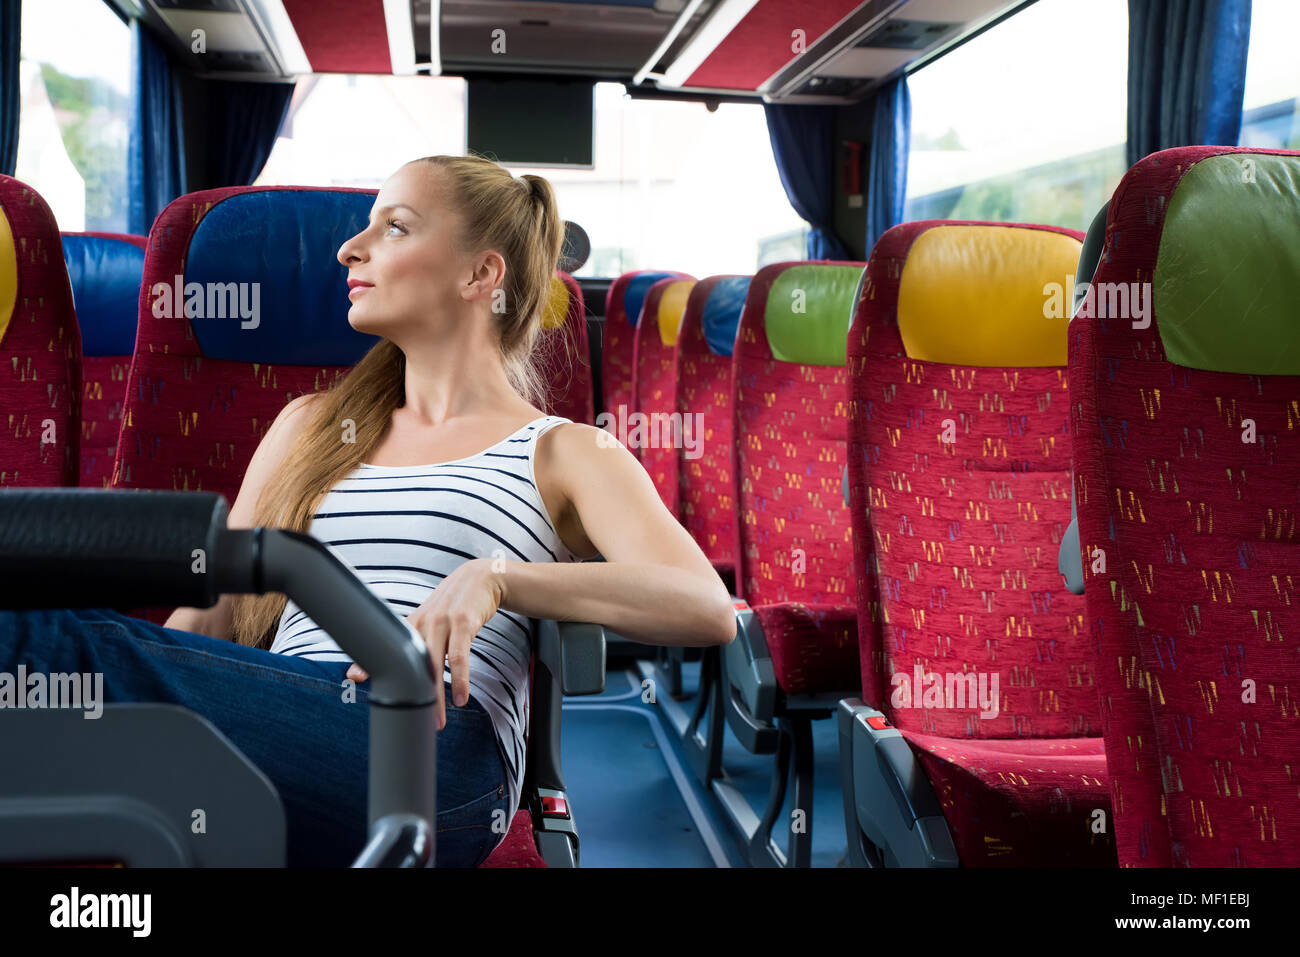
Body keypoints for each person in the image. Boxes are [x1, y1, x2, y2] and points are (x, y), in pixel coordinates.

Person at [0, 154, 735, 867]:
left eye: (395, 227)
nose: (351, 248)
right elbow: (207, 626)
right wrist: (148, 673)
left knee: (47, 644)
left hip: (433, 752)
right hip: (286, 730)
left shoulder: (562, 450)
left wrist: (502, 579)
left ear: (481, 273)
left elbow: (705, 604)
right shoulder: (308, 426)